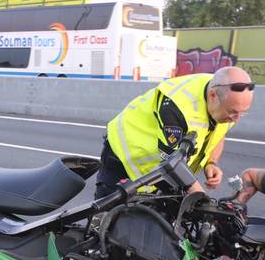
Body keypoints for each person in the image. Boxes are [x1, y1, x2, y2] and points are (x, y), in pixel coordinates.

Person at [95, 67, 255, 198]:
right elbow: (173, 166)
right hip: (123, 156)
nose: (236, 120)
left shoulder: (226, 100)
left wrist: (211, 162)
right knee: (104, 214)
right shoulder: (178, 107)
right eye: (233, 112)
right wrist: (205, 203)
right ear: (212, 96)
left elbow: (219, 132)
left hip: (161, 170)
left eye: (243, 113)